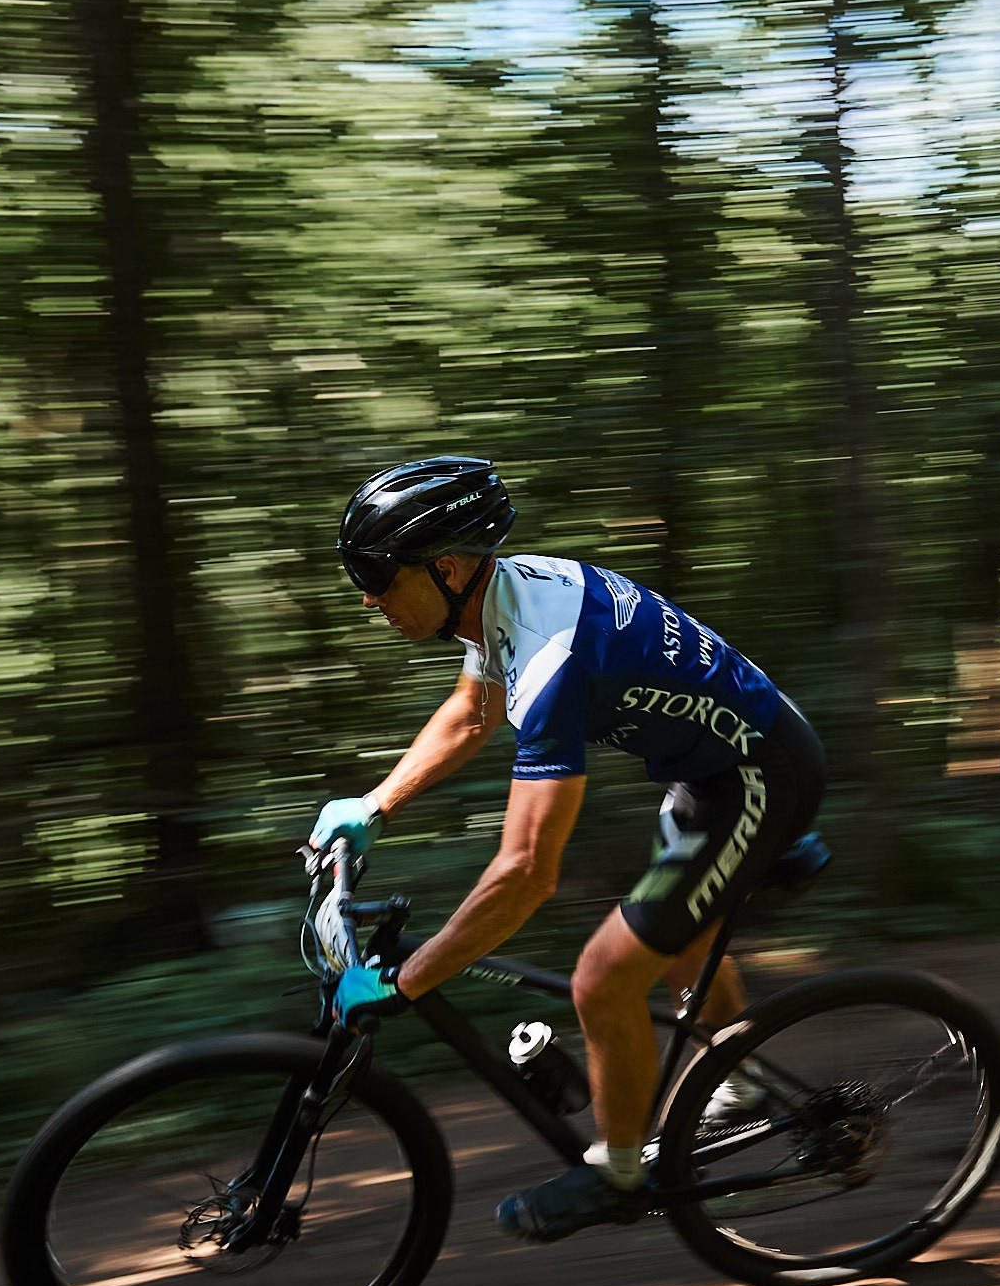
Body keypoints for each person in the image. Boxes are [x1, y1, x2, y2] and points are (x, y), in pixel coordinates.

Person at [310, 456, 827, 1241]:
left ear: (446, 566)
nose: (367, 595)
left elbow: (524, 872)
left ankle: (619, 1175)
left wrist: (406, 983)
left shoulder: (552, 655)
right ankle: (745, 1082)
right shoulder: (500, 595)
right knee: (677, 944)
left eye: (378, 574)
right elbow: (472, 709)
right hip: (711, 768)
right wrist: (374, 806)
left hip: (760, 775)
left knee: (603, 978)